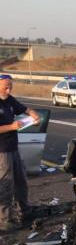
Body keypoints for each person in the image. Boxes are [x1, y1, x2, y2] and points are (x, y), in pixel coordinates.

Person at [0, 74, 40, 232]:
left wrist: (33, 114)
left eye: (10, 86)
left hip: (13, 148)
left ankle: (23, 210)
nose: (8, 90)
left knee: (21, 181)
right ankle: (5, 220)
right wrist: (11, 127)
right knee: (6, 185)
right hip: (1, 151)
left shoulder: (9, 99)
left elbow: (24, 108)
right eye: (5, 87)